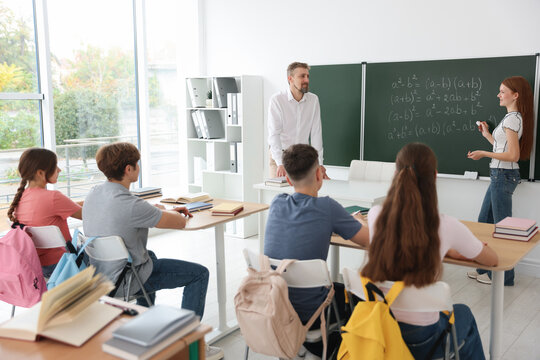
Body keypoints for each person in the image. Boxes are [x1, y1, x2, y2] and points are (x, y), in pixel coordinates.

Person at [82, 142, 223, 360]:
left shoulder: (93, 193)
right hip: (127, 279)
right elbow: (179, 223)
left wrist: (156, 211)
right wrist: (169, 213)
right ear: (128, 169)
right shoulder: (131, 205)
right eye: (136, 164)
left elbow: (130, 212)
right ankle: (191, 341)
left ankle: (144, 329)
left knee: (151, 257)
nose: (139, 167)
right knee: (199, 273)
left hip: (100, 276)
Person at [363, 142, 498, 360]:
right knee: (463, 313)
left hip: (380, 329)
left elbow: (402, 244)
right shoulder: (445, 225)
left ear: (396, 173)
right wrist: (447, 248)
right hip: (423, 339)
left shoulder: (375, 214)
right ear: (434, 176)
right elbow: (492, 260)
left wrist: (445, 250)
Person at [264, 144, 369, 358]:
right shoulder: (327, 207)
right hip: (312, 310)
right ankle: (329, 348)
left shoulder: (276, 202)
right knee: (358, 295)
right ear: (320, 175)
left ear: (289, 180)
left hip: (275, 302)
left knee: (333, 286)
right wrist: (358, 221)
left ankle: (308, 346)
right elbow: (369, 241)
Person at [467, 76, 534, 286]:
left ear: (515, 95)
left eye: (502, 91)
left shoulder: (514, 118)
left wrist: (484, 154)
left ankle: (505, 277)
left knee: (502, 228)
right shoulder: (510, 119)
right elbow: (501, 146)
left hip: (504, 176)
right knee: (484, 223)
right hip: (499, 176)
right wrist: (487, 134)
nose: (498, 95)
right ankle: (483, 269)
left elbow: (513, 155)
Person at [7, 148, 82, 278]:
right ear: (41, 173)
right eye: (55, 166)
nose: (59, 170)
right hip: (63, 264)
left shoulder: (21, 198)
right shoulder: (54, 197)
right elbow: (87, 215)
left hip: (37, 267)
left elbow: (71, 207)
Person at [268, 61, 329, 179]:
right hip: (280, 155)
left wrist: (319, 163)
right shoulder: (277, 100)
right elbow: (274, 134)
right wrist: (280, 163)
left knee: (303, 194)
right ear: (290, 79)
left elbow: (316, 133)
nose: (306, 80)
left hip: (303, 157)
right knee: (280, 195)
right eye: (302, 76)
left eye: (307, 76)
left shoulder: (313, 100)